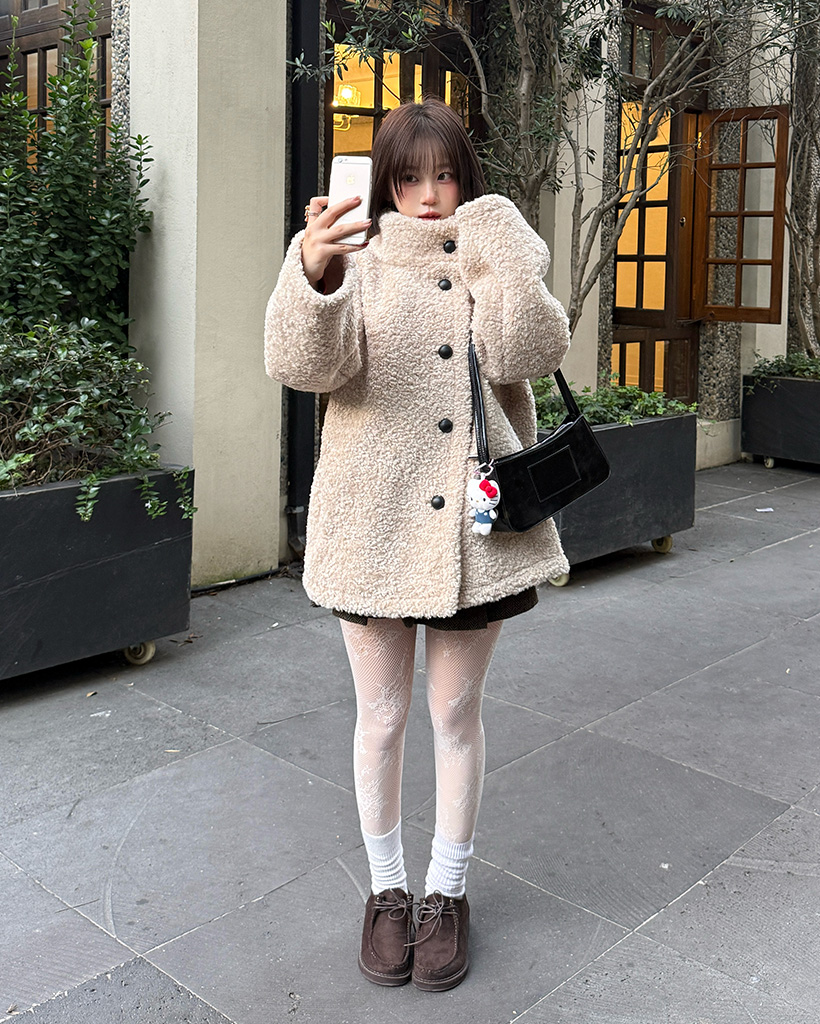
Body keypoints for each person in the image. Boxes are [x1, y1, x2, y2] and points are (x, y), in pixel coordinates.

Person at [264, 97, 571, 993]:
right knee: (383, 718)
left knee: (453, 717)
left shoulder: (488, 247)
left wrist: (505, 245)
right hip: (370, 523)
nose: (428, 194)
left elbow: (527, 353)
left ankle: (447, 893)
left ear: (465, 178)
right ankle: (387, 891)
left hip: (477, 529)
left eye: (444, 175)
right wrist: (314, 272)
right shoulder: (350, 257)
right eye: (407, 177)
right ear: (385, 183)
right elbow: (303, 368)